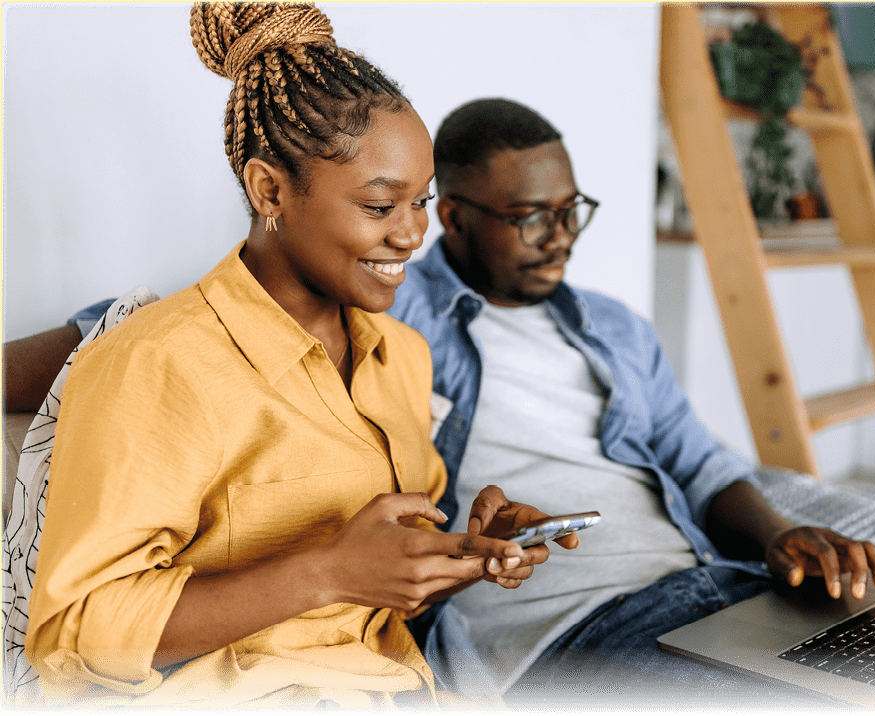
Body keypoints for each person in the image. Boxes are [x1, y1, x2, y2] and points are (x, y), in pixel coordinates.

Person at [385, 98, 875, 708]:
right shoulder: (390, 317)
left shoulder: (614, 327)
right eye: (532, 217)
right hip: (572, 629)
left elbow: (699, 461)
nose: (561, 235)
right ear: (453, 217)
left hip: (723, 589)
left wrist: (779, 535)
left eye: (571, 210)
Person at [20, 7, 568, 709]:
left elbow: (376, 592)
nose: (412, 234)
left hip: (388, 691)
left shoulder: (400, 357)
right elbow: (76, 630)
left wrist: (469, 551)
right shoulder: (157, 362)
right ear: (269, 190)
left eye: (422, 201)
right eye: (380, 206)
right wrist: (327, 572)